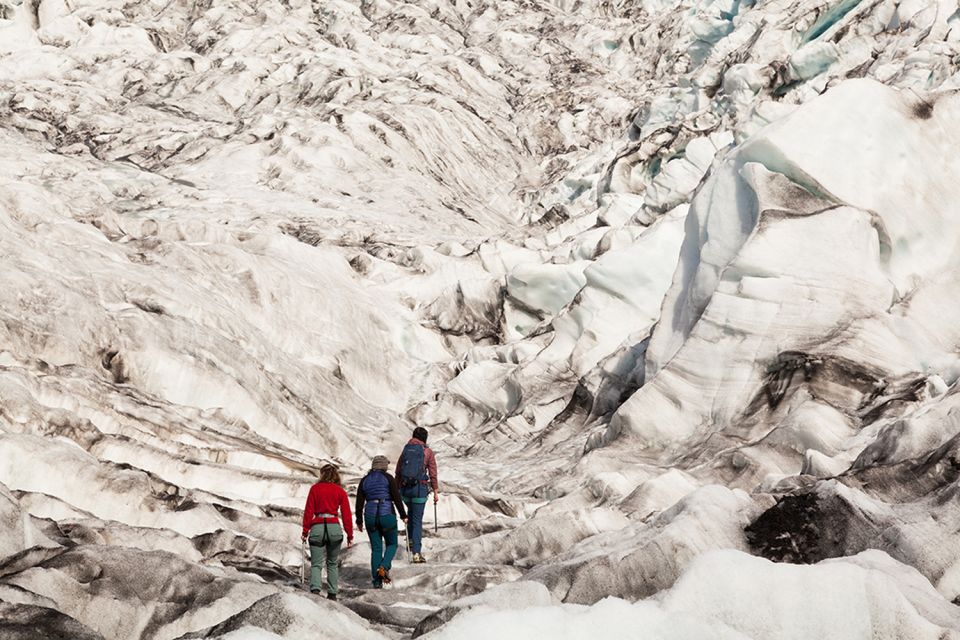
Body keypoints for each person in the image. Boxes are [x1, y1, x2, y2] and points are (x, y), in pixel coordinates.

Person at [301, 464, 353, 601]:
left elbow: (308, 511)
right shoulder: (340, 491)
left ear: (322, 474)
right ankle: (332, 593)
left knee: (316, 563)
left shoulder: (315, 489)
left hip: (317, 527)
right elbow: (346, 514)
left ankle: (315, 590)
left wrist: (305, 531)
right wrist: (349, 534)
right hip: (334, 528)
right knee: (332, 563)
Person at [355, 455, 408, 588]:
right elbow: (396, 498)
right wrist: (403, 515)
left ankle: (377, 582)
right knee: (392, 544)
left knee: (376, 549)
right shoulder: (388, 478)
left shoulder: (365, 480)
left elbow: (359, 502)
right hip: (387, 514)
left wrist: (359, 520)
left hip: (370, 516)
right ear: (384, 466)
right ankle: (384, 567)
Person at [395, 426, 439, 563]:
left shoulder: (406, 449)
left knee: (410, 514)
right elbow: (433, 473)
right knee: (417, 520)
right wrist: (436, 491)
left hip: (405, 491)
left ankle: (410, 543)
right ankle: (416, 553)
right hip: (419, 490)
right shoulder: (427, 452)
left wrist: (397, 489)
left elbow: (398, 471)